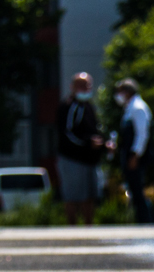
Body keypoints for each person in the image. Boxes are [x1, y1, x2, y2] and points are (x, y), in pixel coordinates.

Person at [56, 72, 103, 225]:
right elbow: (67, 133)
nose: (86, 88)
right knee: (74, 197)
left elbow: (95, 131)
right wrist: (87, 143)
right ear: (73, 87)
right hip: (72, 159)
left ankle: (89, 228)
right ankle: (73, 229)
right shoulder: (68, 106)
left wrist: (104, 143)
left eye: (88, 85)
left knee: (89, 197)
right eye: (81, 85)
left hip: (89, 160)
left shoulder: (89, 106)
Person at [113, 78, 153, 224]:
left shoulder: (138, 108)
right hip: (130, 156)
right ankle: (141, 220)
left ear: (127, 92)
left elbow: (142, 133)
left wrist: (135, 155)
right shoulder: (129, 108)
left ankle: (146, 222)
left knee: (138, 190)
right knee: (134, 191)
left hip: (135, 158)